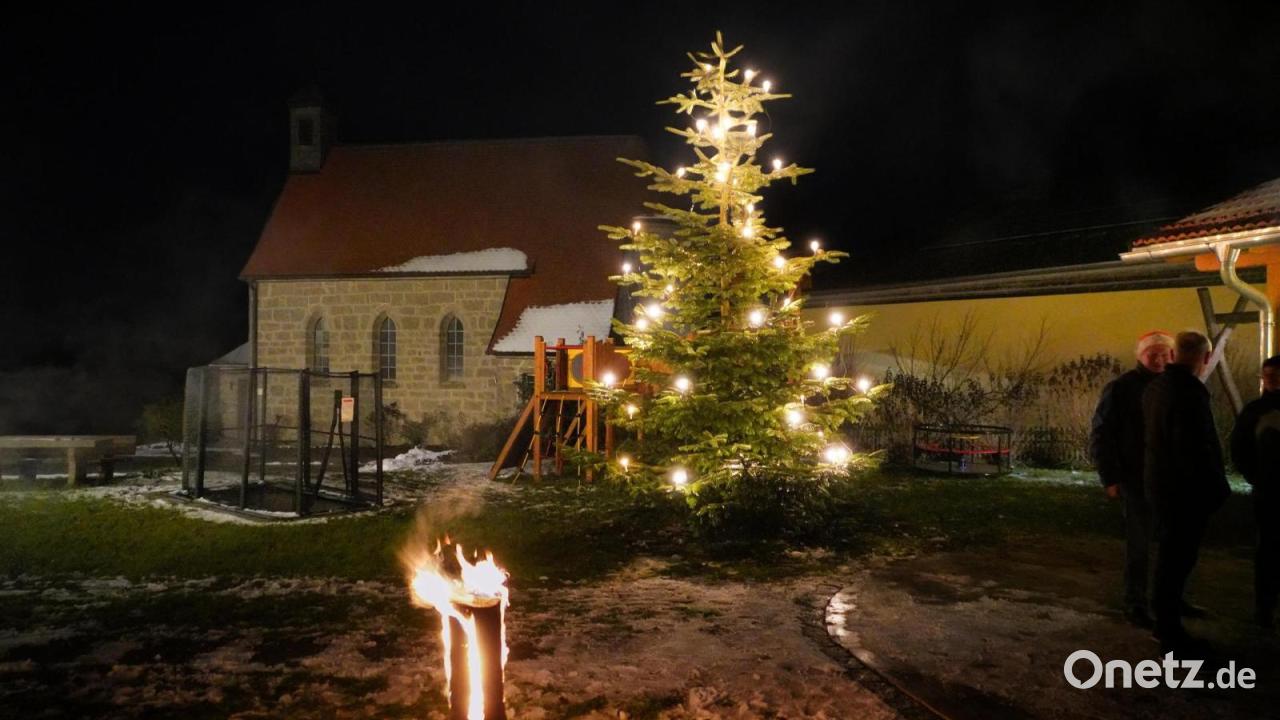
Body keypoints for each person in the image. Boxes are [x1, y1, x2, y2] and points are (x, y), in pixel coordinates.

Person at [1143, 330, 1231, 654]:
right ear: (1205, 358)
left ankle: (1168, 611)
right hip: (1183, 493)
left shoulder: (1156, 388)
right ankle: (1168, 630)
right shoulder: (1189, 393)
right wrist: (1214, 487)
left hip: (1162, 486)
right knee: (1176, 557)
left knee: (1171, 555)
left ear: (1174, 353)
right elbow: (1195, 448)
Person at [1089, 330, 1174, 627]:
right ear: (1140, 355)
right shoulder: (1122, 387)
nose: (1160, 359)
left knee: (1170, 543)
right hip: (1134, 477)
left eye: (1166, 354)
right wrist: (1110, 477)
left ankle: (1171, 597)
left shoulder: (1174, 386)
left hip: (1169, 480)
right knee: (1138, 545)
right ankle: (1135, 601)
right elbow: (1102, 432)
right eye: (1154, 354)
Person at [1230, 354, 1280, 632]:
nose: (1272, 382)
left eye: (1276, 376)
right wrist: (1257, 477)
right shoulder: (1255, 411)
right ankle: (1265, 608)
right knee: (1269, 551)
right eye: (1268, 376)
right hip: (1269, 493)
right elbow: (1239, 448)